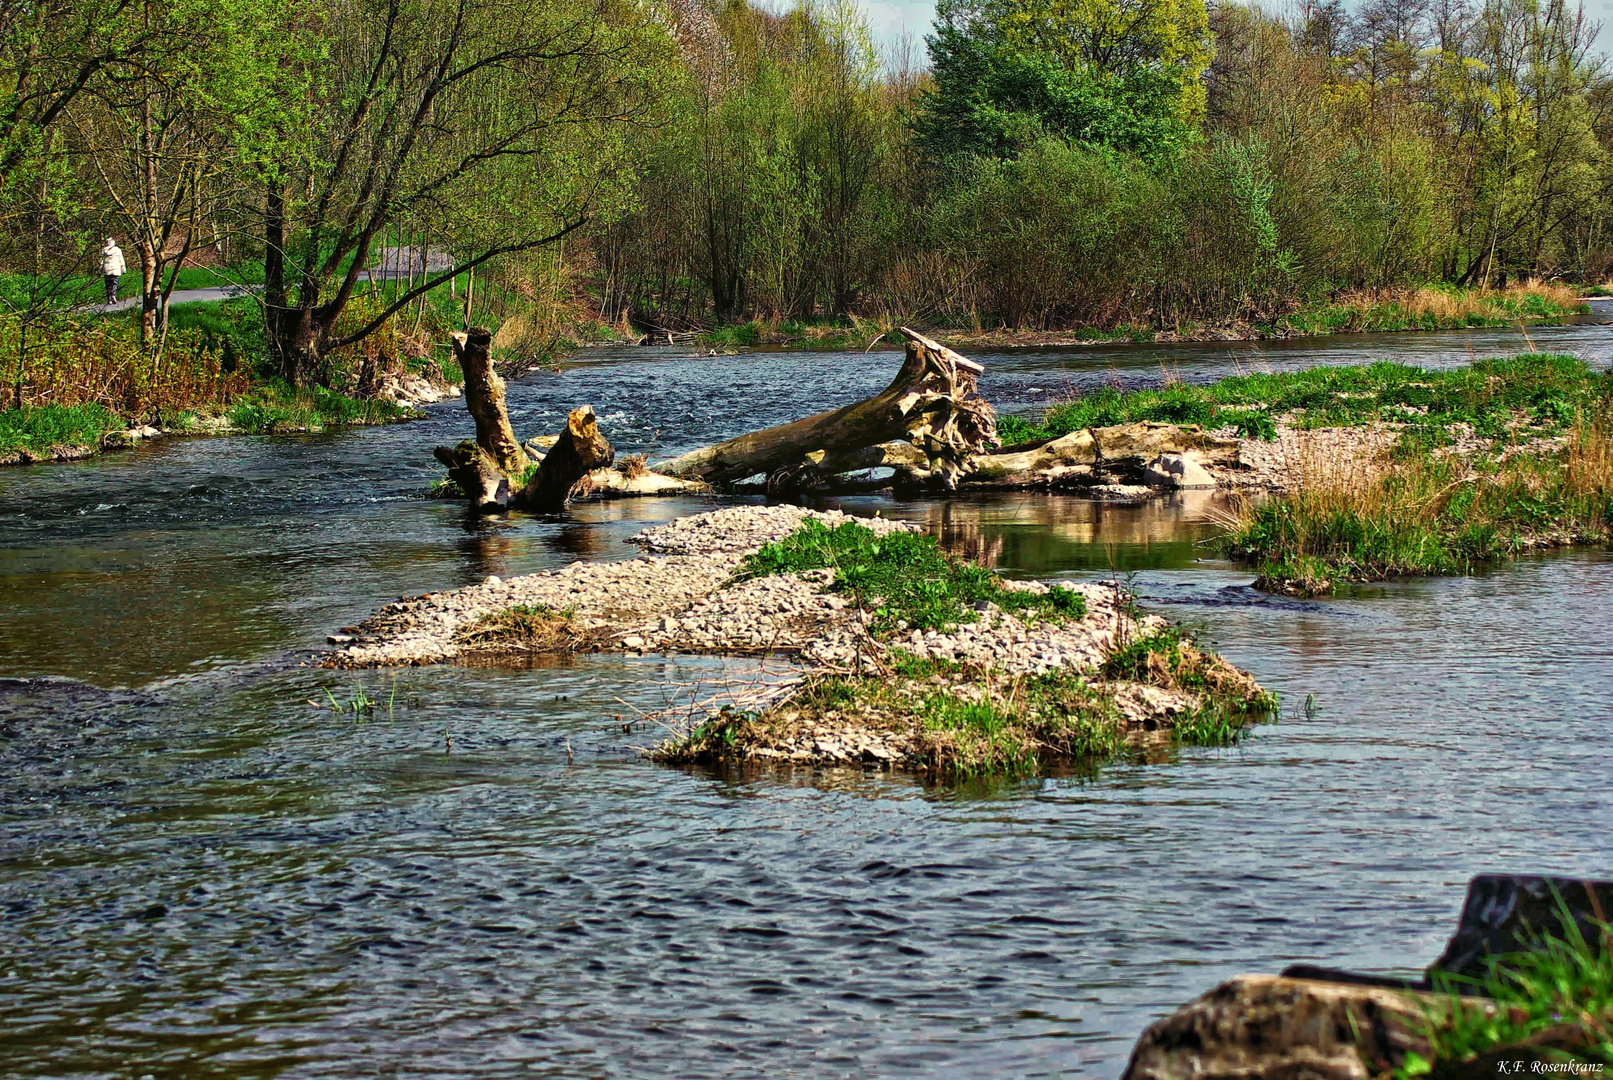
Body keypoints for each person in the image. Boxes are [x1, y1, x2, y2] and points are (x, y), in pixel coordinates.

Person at [100, 238, 126, 304]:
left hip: (107, 269)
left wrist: (100, 270)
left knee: (108, 283)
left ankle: (109, 298)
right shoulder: (117, 250)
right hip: (115, 268)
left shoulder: (104, 250)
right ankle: (113, 295)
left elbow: (101, 261)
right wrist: (123, 268)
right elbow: (121, 260)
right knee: (115, 282)